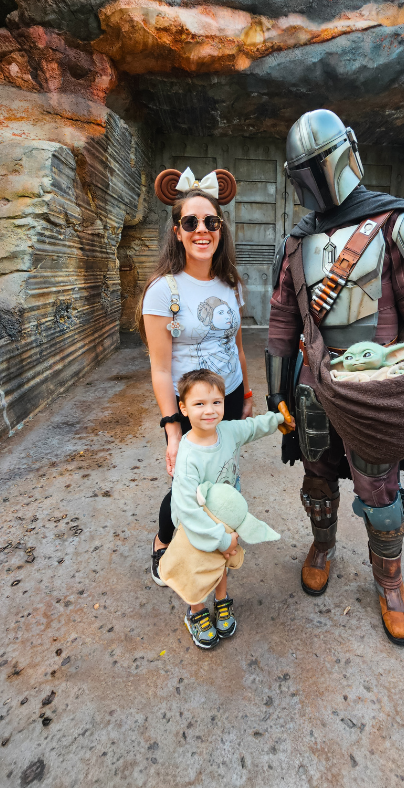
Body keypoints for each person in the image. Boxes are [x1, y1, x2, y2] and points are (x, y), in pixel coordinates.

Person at [266, 109, 404, 646]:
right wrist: (278, 390)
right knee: (318, 473)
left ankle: (390, 582)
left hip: (378, 386)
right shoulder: (297, 241)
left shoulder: (401, 224)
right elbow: (282, 320)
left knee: (380, 488)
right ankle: (322, 546)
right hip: (313, 382)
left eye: (315, 166)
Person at [136, 166, 253, 586]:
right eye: (191, 222)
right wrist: (172, 427)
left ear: (220, 229)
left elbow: (236, 345)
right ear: (177, 231)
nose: (201, 229)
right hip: (190, 407)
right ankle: (163, 539)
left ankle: (210, 536)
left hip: (229, 398)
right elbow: (161, 367)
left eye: (210, 222)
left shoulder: (231, 284)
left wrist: (246, 390)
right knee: (190, 484)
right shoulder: (162, 291)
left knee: (220, 474)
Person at [157, 368, 287, 649]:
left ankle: (221, 601)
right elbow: (187, 509)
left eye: (216, 402)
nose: (209, 411)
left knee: (221, 563)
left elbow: (252, 428)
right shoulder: (187, 456)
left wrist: (278, 420)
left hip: (224, 520)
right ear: (183, 408)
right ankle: (196, 612)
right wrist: (219, 538)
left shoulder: (227, 431)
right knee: (198, 569)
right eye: (199, 404)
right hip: (195, 528)